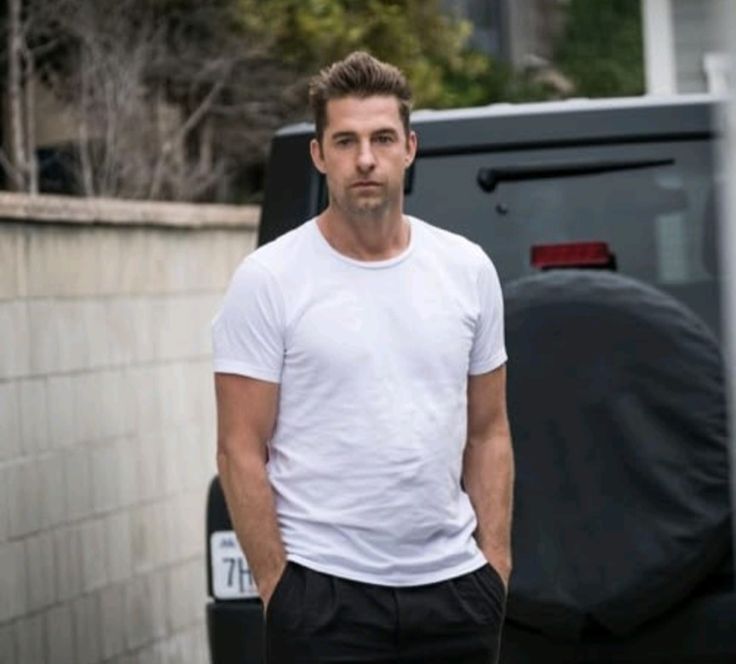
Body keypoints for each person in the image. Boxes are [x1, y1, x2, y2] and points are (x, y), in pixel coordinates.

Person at [212, 51, 514, 664]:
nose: (366, 158)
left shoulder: (467, 269)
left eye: (381, 138)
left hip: (455, 594)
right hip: (324, 599)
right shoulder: (269, 279)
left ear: (409, 146)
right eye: (346, 141)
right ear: (320, 154)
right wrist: (279, 588)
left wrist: (495, 568)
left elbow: (489, 431)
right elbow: (239, 449)